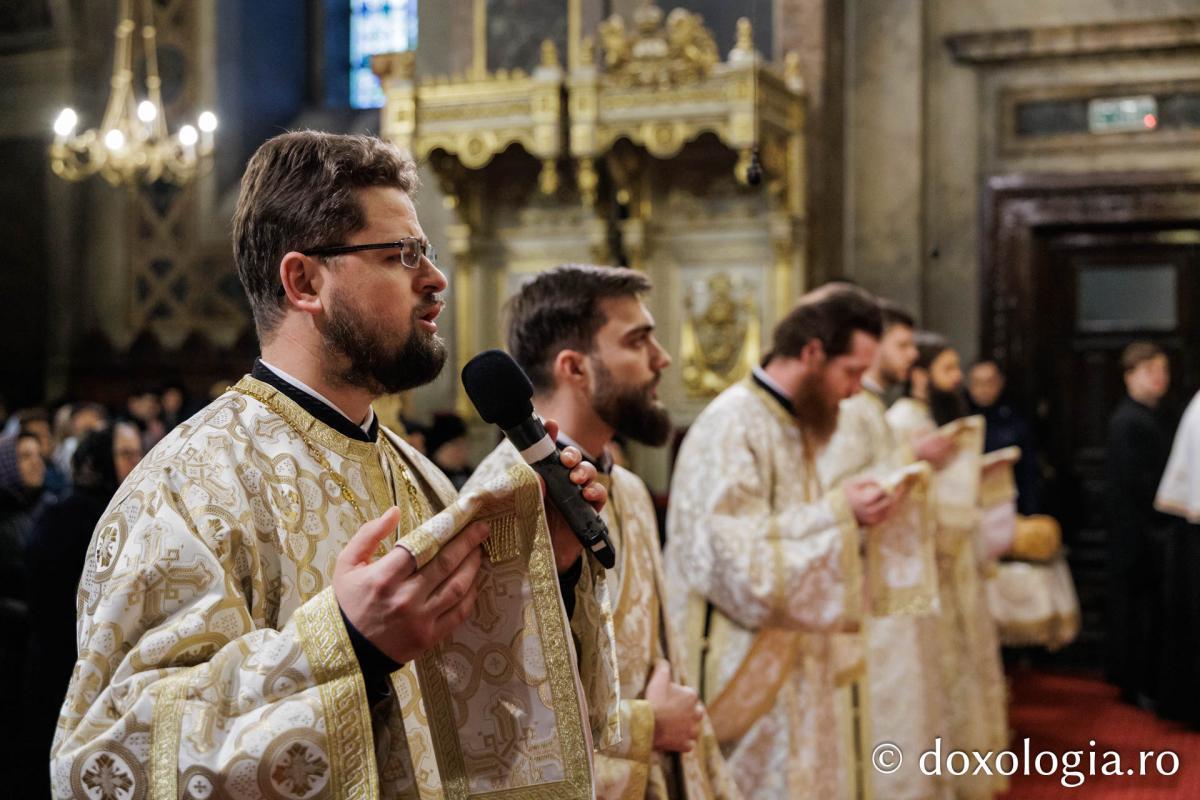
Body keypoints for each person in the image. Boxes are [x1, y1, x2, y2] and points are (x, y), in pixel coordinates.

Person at [50, 131, 609, 799]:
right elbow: (104, 762)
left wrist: (553, 567)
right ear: (305, 281)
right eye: (402, 255)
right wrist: (346, 642)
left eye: (426, 253)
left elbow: (487, 717)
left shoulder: (421, 476)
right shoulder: (185, 488)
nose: (435, 281)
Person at [471, 264, 739, 798]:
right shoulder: (503, 501)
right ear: (576, 367)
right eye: (638, 341)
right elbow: (499, 714)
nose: (663, 358)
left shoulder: (629, 489)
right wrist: (644, 727)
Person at [664, 283, 903, 798]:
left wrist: (846, 513)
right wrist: (842, 515)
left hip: (793, 660)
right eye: (852, 372)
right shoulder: (732, 424)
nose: (856, 391)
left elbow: (782, 526)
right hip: (737, 665)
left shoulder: (798, 425)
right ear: (813, 353)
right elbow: (733, 562)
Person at [818, 302, 954, 800]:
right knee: (884, 698)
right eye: (903, 344)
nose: (912, 355)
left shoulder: (870, 407)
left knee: (905, 692)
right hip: (867, 581)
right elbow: (836, 488)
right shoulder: (853, 409)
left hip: (891, 573)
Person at [24, 421, 143, 799]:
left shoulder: (113, 508)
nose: (137, 461)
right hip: (66, 663)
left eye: (138, 452)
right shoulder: (81, 515)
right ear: (101, 461)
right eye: (125, 454)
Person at [1102, 343, 1171, 707]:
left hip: (1145, 527)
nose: (1158, 378)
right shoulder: (1129, 420)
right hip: (1137, 530)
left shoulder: (1151, 416)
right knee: (1134, 608)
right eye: (1149, 371)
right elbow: (1137, 483)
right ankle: (1133, 682)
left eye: (1162, 371)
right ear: (1129, 377)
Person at [968, 359, 1040, 514]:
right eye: (977, 383)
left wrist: (1030, 511)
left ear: (1000, 382)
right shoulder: (961, 416)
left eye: (989, 382)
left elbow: (1028, 471)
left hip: (1006, 501)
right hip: (969, 503)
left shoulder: (1015, 418)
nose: (983, 389)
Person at [427, 411, 473, 490]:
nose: (463, 451)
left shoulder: (471, 476)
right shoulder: (428, 478)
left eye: (464, 445)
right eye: (455, 445)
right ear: (438, 449)